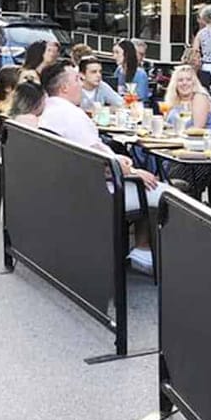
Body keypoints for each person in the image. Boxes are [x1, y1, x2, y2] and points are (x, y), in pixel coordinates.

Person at [37, 61, 162, 270]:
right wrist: (133, 171)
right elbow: (100, 162)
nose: (81, 83)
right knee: (162, 191)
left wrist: (119, 160)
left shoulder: (48, 111)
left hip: (70, 185)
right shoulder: (72, 116)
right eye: (77, 79)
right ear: (65, 87)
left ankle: (142, 249)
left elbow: (94, 154)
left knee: (145, 179)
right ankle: (147, 253)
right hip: (97, 191)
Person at [162, 64, 211, 131]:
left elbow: (197, 129)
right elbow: (167, 125)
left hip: (199, 137)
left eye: (188, 80)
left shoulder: (200, 97)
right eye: (180, 80)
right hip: (175, 136)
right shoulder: (174, 100)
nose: (184, 83)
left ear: (194, 83)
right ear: (175, 84)